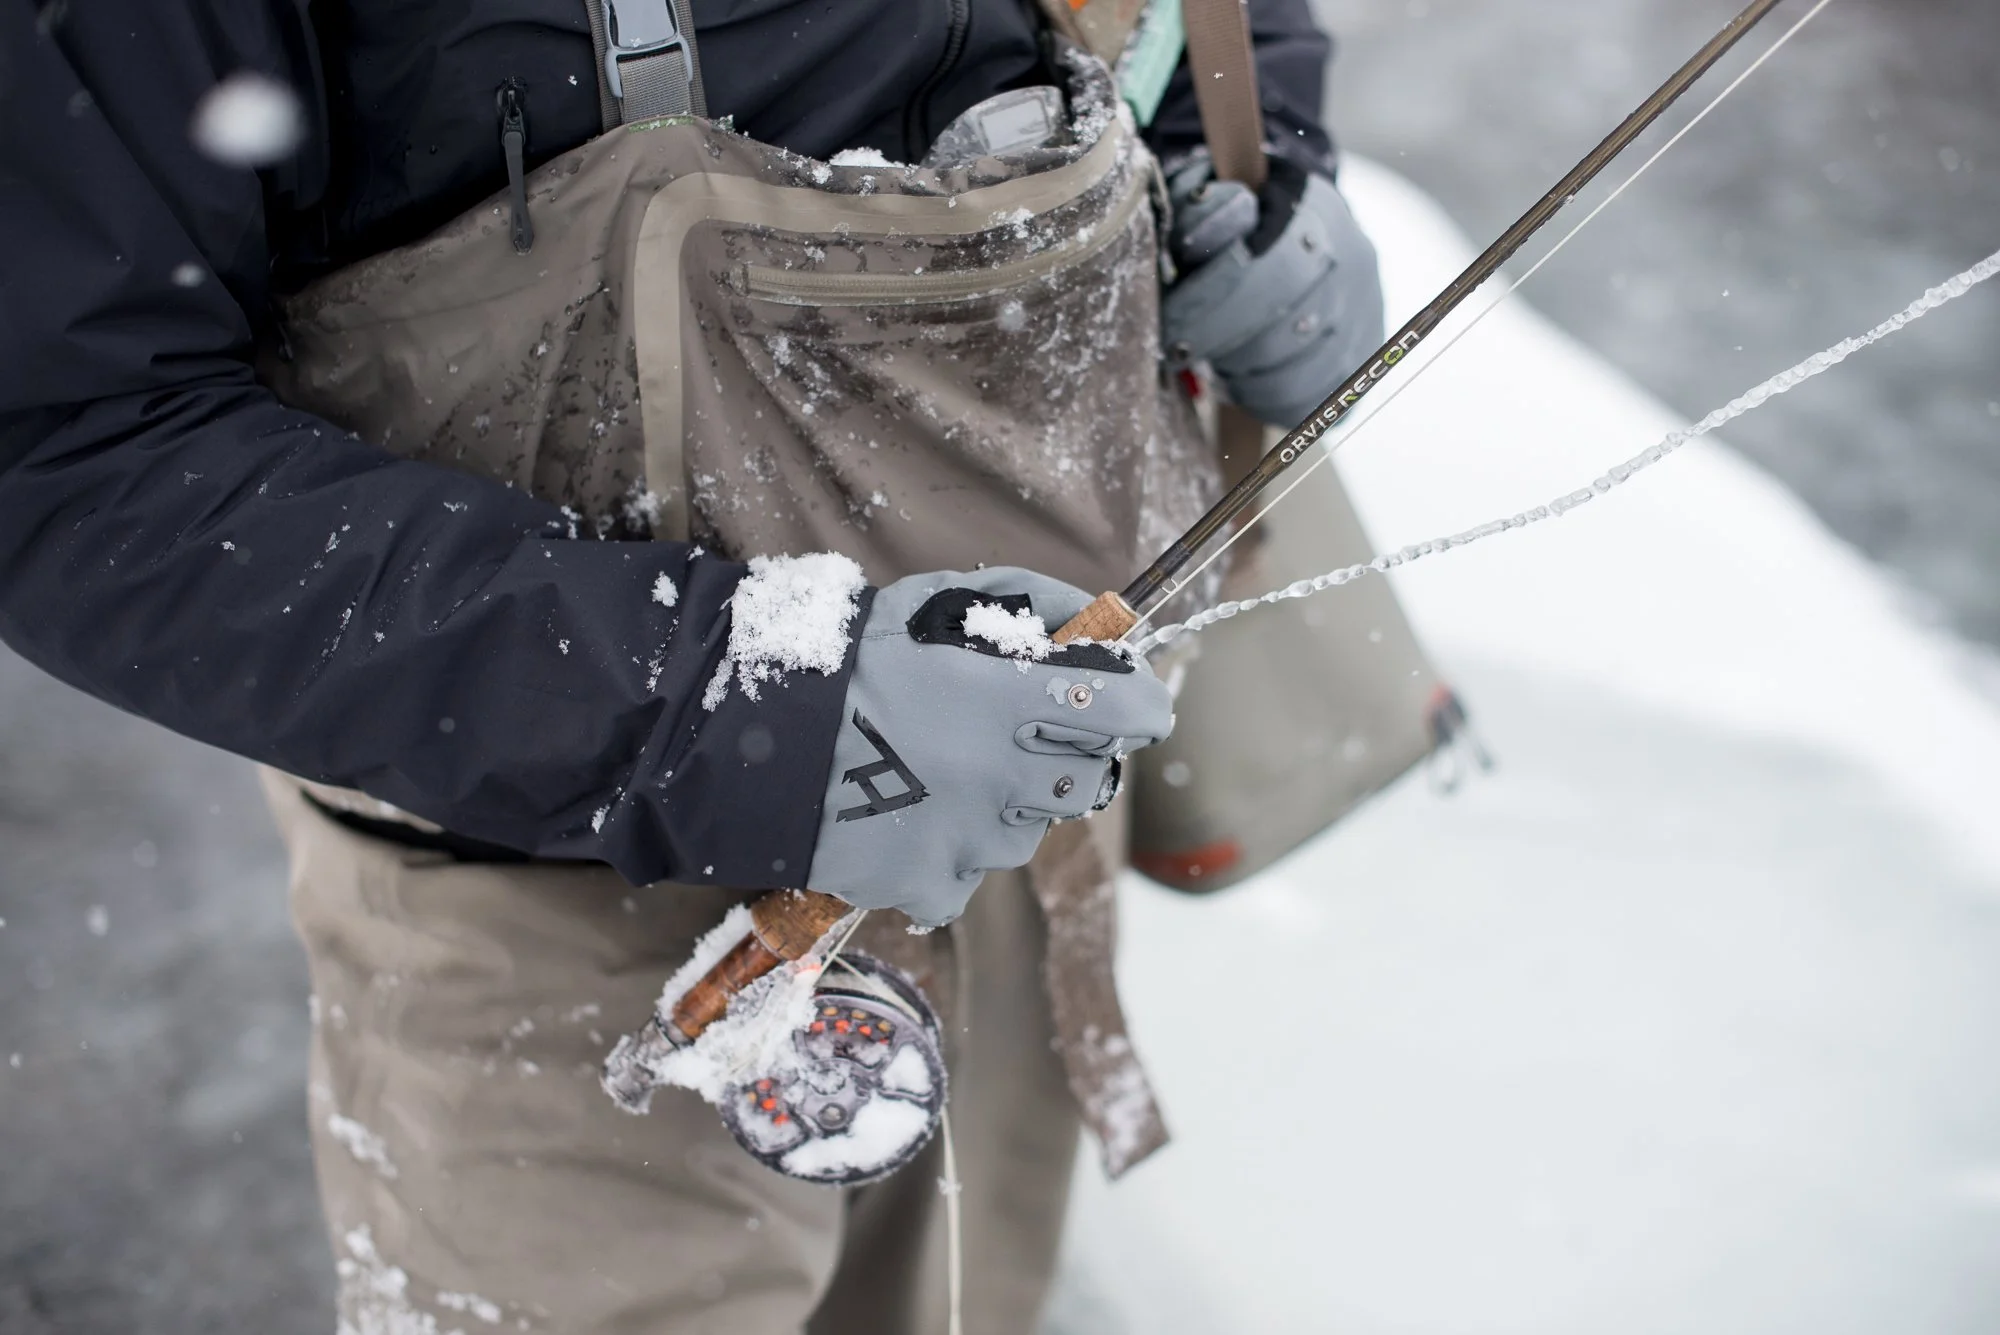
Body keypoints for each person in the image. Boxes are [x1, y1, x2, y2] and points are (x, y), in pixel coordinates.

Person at [0, 0, 1382, 1329]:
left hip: (1025, 835)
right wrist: (733, 708)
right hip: (555, 929)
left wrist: (1253, 145)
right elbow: (70, 442)